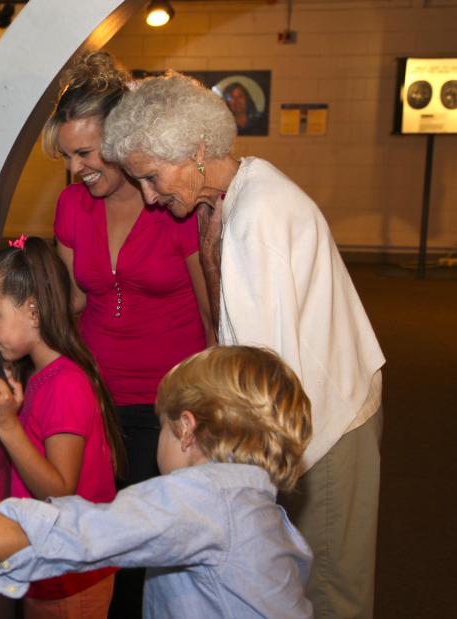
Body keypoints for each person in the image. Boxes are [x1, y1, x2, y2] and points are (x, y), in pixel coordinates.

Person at [101, 71, 385, 618]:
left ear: (197, 149)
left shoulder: (259, 215)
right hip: (317, 410)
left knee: (329, 590)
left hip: (328, 424)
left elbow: (262, 374)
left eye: (153, 177)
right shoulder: (243, 188)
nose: (150, 197)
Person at [0, 346, 314, 619]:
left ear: (187, 429)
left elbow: (78, 532)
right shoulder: (249, 503)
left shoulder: (204, 499)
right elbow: (91, 519)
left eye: (164, 427)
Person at [43, 51, 213, 617]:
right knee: (101, 538)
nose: (75, 169)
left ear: (120, 141)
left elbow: (215, 316)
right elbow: (68, 302)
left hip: (169, 404)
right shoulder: (72, 206)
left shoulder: (174, 205)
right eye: (67, 156)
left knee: (151, 552)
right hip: (99, 399)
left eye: (86, 154)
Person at [0, 235, 125, 618]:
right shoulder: (46, 374)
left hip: (71, 579)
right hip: (52, 567)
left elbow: (59, 491)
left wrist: (8, 426)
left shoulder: (64, 384)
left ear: (33, 311)